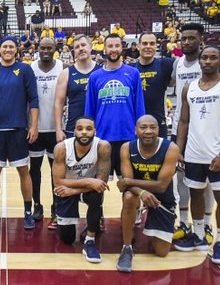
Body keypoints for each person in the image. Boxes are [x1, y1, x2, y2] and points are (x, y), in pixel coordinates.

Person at [171, 23, 220, 244]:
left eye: (192, 38)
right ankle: (186, 223)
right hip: (185, 134)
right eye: (184, 39)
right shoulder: (178, 64)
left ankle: (210, 228)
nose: (187, 42)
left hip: (213, 137)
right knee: (187, 183)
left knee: (214, 187)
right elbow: (181, 113)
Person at [0, 36, 39, 229]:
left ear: (16, 50)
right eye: (4, 46)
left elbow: (34, 100)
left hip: (18, 129)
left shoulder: (25, 69)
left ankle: (28, 212)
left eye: (11, 46)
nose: (7, 49)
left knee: (23, 170)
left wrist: (34, 126)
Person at [116, 115, 180, 273]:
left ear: (159, 129)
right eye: (143, 127)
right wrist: (142, 192)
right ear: (136, 130)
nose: (148, 131)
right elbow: (126, 183)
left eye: (153, 127)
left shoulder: (171, 148)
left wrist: (129, 182)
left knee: (162, 252)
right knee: (129, 197)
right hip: (137, 194)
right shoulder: (127, 147)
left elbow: (161, 185)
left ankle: (153, 220)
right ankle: (126, 248)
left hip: (162, 198)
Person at [84, 33, 145, 179]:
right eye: (110, 46)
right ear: (104, 49)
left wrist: (140, 130)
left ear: (122, 48)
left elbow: (139, 106)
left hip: (128, 136)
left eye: (117, 46)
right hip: (103, 137)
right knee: (98, 185)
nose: (114, 49)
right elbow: (89, 109)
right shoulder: (95, 77)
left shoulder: (133, 73)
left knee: (129, 185)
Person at [51, 116, 110, 262]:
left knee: (97, 195)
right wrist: (89, 181)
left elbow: (101, 182)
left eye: (88, 129)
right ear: (74, 132)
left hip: (83, 190)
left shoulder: (103, 146)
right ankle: (61, 217)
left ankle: (90, 240)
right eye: (80, 129)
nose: (84, 132)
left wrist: (76, 190)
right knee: (67, 239)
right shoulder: (62, 148)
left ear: (95, 132)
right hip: (67, 189)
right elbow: (58, 182)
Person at [29, 38, 64, 228]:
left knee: (55, 171)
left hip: (55, 128)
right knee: (34, 171)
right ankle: (37, 204)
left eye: (50, 48)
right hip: (35, 128)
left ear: (55, 49)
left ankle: (56, 206)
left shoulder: (63, 67)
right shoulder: (30, 68)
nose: (46, 51)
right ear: (37, 49)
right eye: (42, 48)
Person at [130, 33, 174, 138]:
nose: (148, 46)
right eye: (145, 43)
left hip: (158, 124)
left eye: (152, 43)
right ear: (138, 45)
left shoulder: (166, 65)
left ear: (156, 46)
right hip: (135, 124)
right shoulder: (130, 69)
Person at [54, 34, 98, 142]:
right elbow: (58, 103)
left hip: (98, 128)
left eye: (83, 45)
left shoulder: (101, 71)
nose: (81, 49)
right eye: (77, 47)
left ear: (90, 47)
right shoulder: (66, 73)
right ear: (74, 51)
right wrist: (58, 130)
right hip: (73, 129)